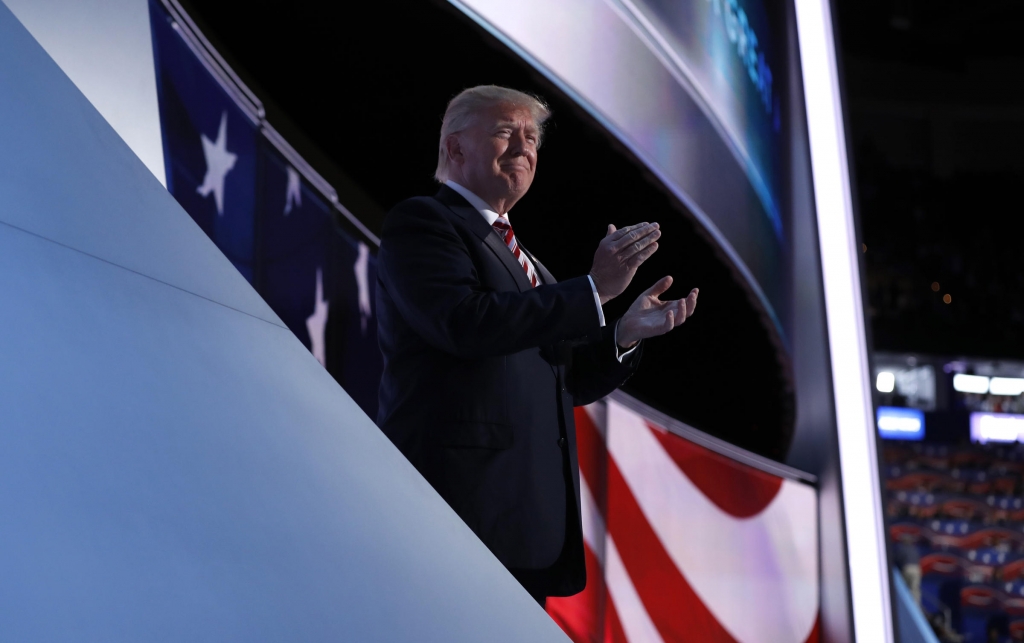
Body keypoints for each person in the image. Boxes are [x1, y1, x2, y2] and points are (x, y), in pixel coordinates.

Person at [375, 85, 698, 604]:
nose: (524, 146)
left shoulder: (533, 266)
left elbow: (561, 380)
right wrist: (591, 290)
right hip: (455, 512)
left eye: (531, 137)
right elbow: (464, 323)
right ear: (455, 149)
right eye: (506, 132)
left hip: (528, 527)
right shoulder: (423, 223)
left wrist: (622, 334)